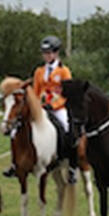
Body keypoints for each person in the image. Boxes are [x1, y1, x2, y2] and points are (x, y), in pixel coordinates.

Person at [32, 35, 77, 181]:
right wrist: (37, 106)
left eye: (50, 53)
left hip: (58, 108)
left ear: (56, 53)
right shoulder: (39, 71)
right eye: (45, 53)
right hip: (42, 108)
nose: (47, 56)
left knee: (67, 128)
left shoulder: (64, 71)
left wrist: (54, 105)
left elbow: (67, 93)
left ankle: (71, 165)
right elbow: (35, 92)